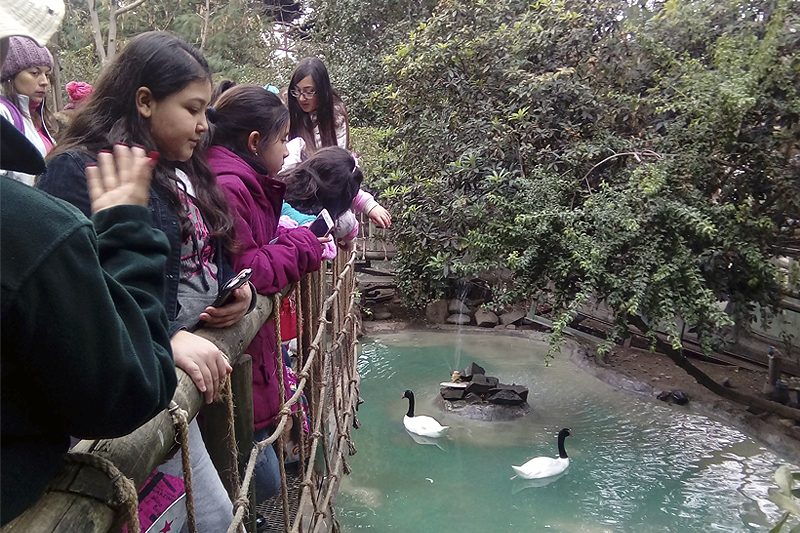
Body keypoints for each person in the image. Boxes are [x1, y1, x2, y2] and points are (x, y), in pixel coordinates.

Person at [37, 31, 248, 532]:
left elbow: (200, 257)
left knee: (210, 516)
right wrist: (167, 335)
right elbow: (75, 296)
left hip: (168, 374)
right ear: (146, 101)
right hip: (118, 397)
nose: (203, 126)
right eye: (193, 109)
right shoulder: (80, 171)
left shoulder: (181, 169)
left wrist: (235, 289)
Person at [1, 0, 178, 524]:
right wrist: (126, 228)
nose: (202, 125)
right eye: (191, 109)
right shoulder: (52, 200)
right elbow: (125, 389)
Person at [205, 84, 324, 500]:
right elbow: (250, 266)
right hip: (236, 362)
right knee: (257, 480)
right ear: (255, 142)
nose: (287, 152)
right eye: (281, 140)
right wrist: (305, 244)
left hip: (254, 359)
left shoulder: (248, 182)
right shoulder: (232, 186)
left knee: (259, 473)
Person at [285, 57, 392, 228]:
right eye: (297, 91)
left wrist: (368, 204)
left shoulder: (335, 119)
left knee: (346, 224)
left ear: (322, 91)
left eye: (309, 91)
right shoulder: (288, 118)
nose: (302, 98)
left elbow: (337, 173)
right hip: (293, 199)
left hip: (324, 199)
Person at [0, 35, 56, 185]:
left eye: (47, 74)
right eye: (35, 73)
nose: (44, 82)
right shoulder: (3, 113)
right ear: (11, 75)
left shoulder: (37, 118)